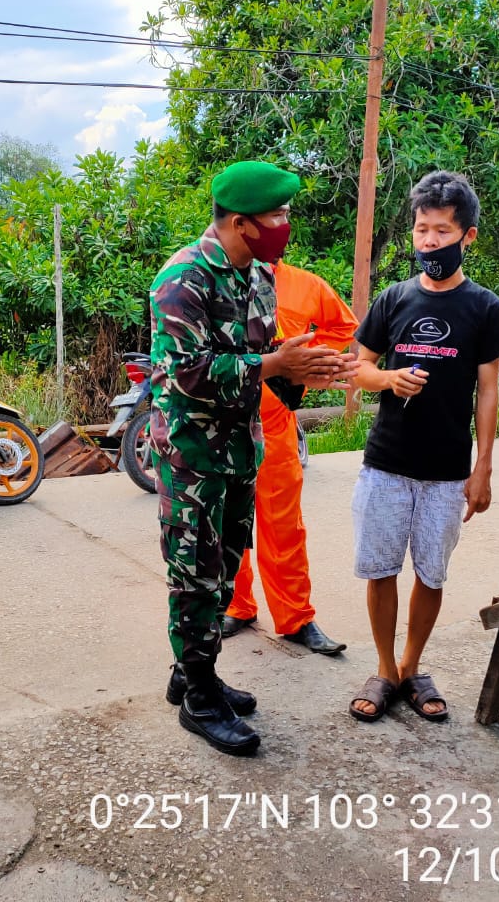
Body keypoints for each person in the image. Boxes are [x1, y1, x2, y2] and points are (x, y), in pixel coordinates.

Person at [149, 160, 357, 756]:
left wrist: (304, 367)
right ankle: (199, 700)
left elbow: (266, 353)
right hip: (192, 455)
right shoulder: (182, 280)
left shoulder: (257, 276)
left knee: (226, 562)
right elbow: (184, 372)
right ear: (241, 222)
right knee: (195, 573)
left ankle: (193, 671)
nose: (286, 223)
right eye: (277, 214)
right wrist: (272, 365)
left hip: (243, 448)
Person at [347, 170, 499, 724]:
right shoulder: (393, 300)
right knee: (380, 570)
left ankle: (412, 667)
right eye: (422, 230)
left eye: (442, 231)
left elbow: (487, 391)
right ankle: (385, 667)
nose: (429, 242)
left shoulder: (485, 308)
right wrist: (390, 379)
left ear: (468, 237)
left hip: (446, 471)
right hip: (386, 463)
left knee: (431, 574)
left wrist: (482, 466)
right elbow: (358, 369)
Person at [221, 260, 358, 655]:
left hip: (275, 423)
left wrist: (301, 367)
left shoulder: (305, 285)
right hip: (223, 423)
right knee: (228, 519)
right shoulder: (214, 279)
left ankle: (295, 617)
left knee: (284, 525)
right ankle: (236, 605)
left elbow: (342, 326)